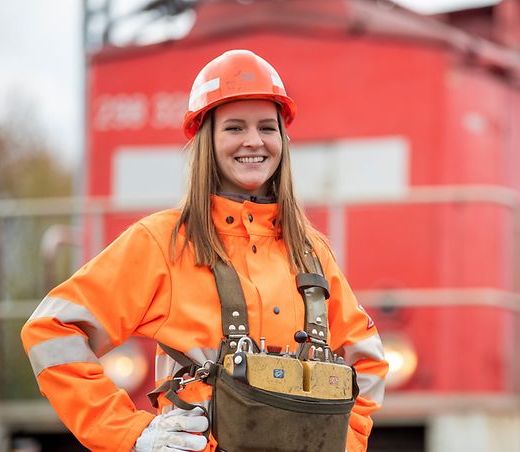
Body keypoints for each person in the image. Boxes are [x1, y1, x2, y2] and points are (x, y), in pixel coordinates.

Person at [21, 49, 388, 452]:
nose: (253, 141)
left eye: (267, 127)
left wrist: (342, 444)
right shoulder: (163, 242)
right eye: (234, 128)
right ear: (207, 139)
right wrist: (129, 435)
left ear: (282, 138)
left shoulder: (310, 251)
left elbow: (366, 362)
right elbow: (51, 330)